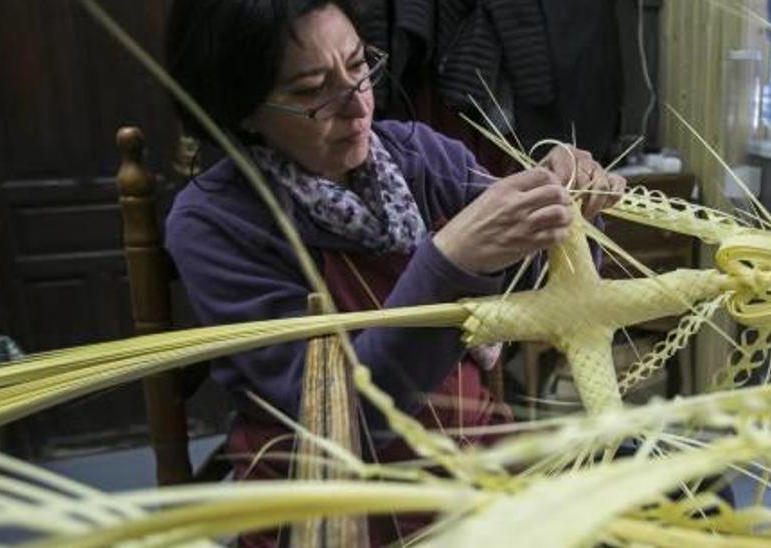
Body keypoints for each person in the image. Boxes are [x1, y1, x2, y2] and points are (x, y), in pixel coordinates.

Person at [163, 1, 624, 544]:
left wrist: (567, 221)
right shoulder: (215, 223)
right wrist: (449, 264)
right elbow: (341, 429)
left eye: (359, 66)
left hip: (473, 478)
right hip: (329, 507)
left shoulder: (418, 155)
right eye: (313, 91)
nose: (358, 107)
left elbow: (542, 297)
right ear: (239, 108)